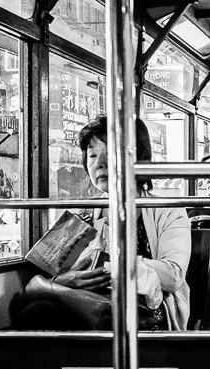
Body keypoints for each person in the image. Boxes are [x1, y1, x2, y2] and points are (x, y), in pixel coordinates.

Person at [10, 117, 191, 330]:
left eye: (110, 154)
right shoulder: (85, 212)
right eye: (92, 155)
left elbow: (173, 276)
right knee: (36, 310)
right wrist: (67, 280)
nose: (100, 163)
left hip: (146, 308)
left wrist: (107, 266)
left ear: (138, 158)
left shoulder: (167, 209)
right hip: (87, 300)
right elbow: (56, 267)